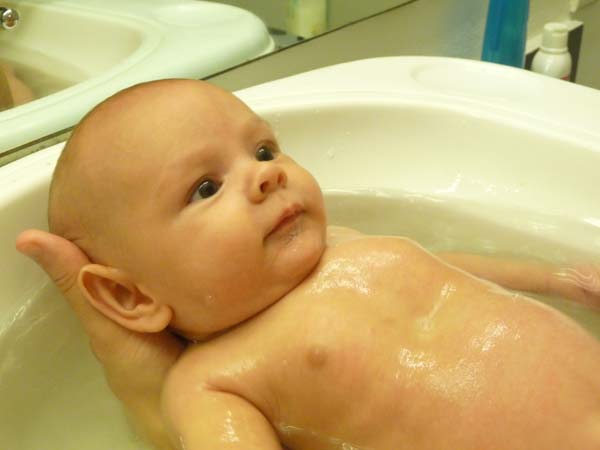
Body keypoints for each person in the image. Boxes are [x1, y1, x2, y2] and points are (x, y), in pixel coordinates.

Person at [17, 79, 600, 450]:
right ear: (132, 296)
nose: (266, 173)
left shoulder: (340, 243)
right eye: (205, 188)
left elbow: (445, 269)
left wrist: (559, 279)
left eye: (263, 149)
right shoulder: (210, 382)